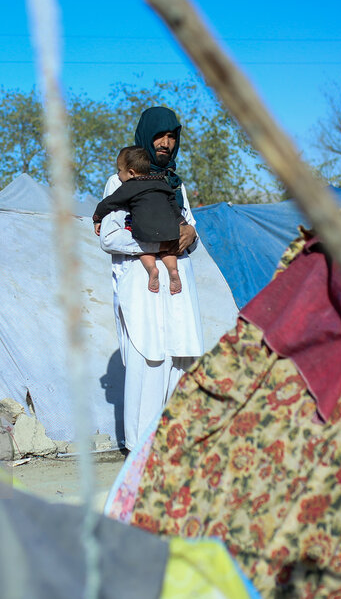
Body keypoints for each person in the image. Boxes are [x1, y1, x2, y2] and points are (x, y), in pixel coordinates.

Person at [98, 106, 204, 449]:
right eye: (160, 135)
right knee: (148, 360)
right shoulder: (121, 180)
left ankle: (174, 442)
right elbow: (110, 236)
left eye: (172, 136)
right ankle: (139, 447)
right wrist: (161, 239)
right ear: (146, 135)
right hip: (142, 287)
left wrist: (189, 234)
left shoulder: (175, 182)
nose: (167, 142)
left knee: (180, 357)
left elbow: (188, 225)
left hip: (177, 283)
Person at [92, 146, 184, 294]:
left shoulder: (130, 186)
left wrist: (97, 218)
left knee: (143, 248)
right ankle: (173, 271)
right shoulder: (162, 182)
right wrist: (181, 222)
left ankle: (151, 269)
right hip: (168, 228)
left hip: (145, 230)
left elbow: (110, 202)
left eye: (119, 171)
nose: (118, 174)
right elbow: (173, 203)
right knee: (169, 250)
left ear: (131, 172)